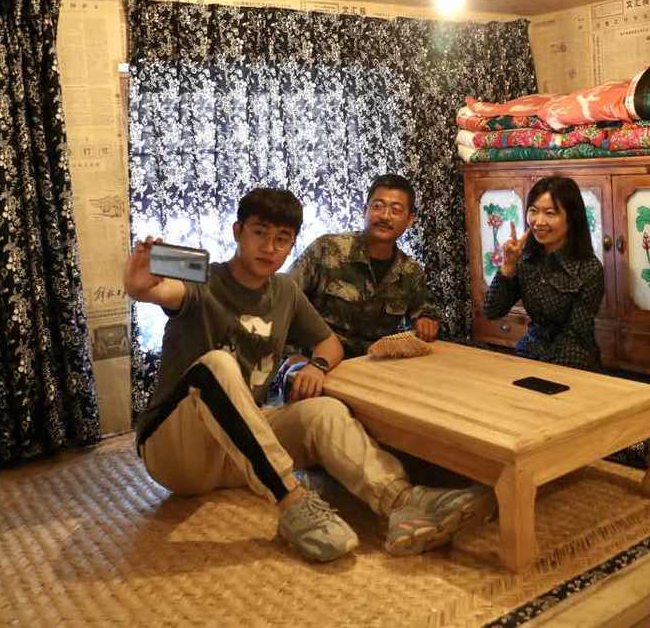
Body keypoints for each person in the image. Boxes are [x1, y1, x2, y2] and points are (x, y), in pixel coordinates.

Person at [127, 187, 488, 564]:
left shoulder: (284, 290)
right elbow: (155, 290)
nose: (270, 247)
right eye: (259, 233)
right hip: (178, 452)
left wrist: (317, 366)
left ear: (291, 245)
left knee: (324, 410)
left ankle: (403, 502)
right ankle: (293, 501)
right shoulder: (204, 282)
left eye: (282, 239)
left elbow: (328, 343)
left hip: (238, 450)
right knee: (217, 364)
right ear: (237, 232)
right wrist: (139, 282)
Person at [289, 174, 440, 359]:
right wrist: (292, 358)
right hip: (318, 361)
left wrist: (426, 321)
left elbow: (424, 310)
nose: (385, 216)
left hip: (372, 363)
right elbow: (285, 300)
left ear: (409, 220)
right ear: (364, 210)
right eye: (378, 206)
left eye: (396, 210)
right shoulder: (327, 249)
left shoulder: (410, 271)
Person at [483, 176, 605, 369]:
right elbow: (492, 311)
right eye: (533, 211)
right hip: (531, 350)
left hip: (573, 358)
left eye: (550, 213)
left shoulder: (589, 269)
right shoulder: (525, 259)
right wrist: (508, 267)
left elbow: (576, 334)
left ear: (571, 218)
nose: (539, 222)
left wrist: (542, 371)